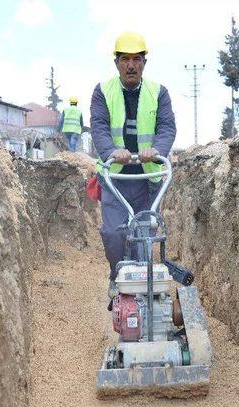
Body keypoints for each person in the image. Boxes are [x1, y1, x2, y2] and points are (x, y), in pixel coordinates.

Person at [90, 31, 176, 298]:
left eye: (136, 59)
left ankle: (143, 295)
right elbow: (100, 127)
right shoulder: (102, 91)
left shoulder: (159, 93)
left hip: (147, 178)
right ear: (116, 63)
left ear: (144, 63)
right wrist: (113, 151)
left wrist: (157, 150)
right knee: (114, 234)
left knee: (143, 236)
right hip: (115, 178)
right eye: (125, 59)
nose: (131, 65)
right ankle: (117, 275)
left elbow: (167, 127)